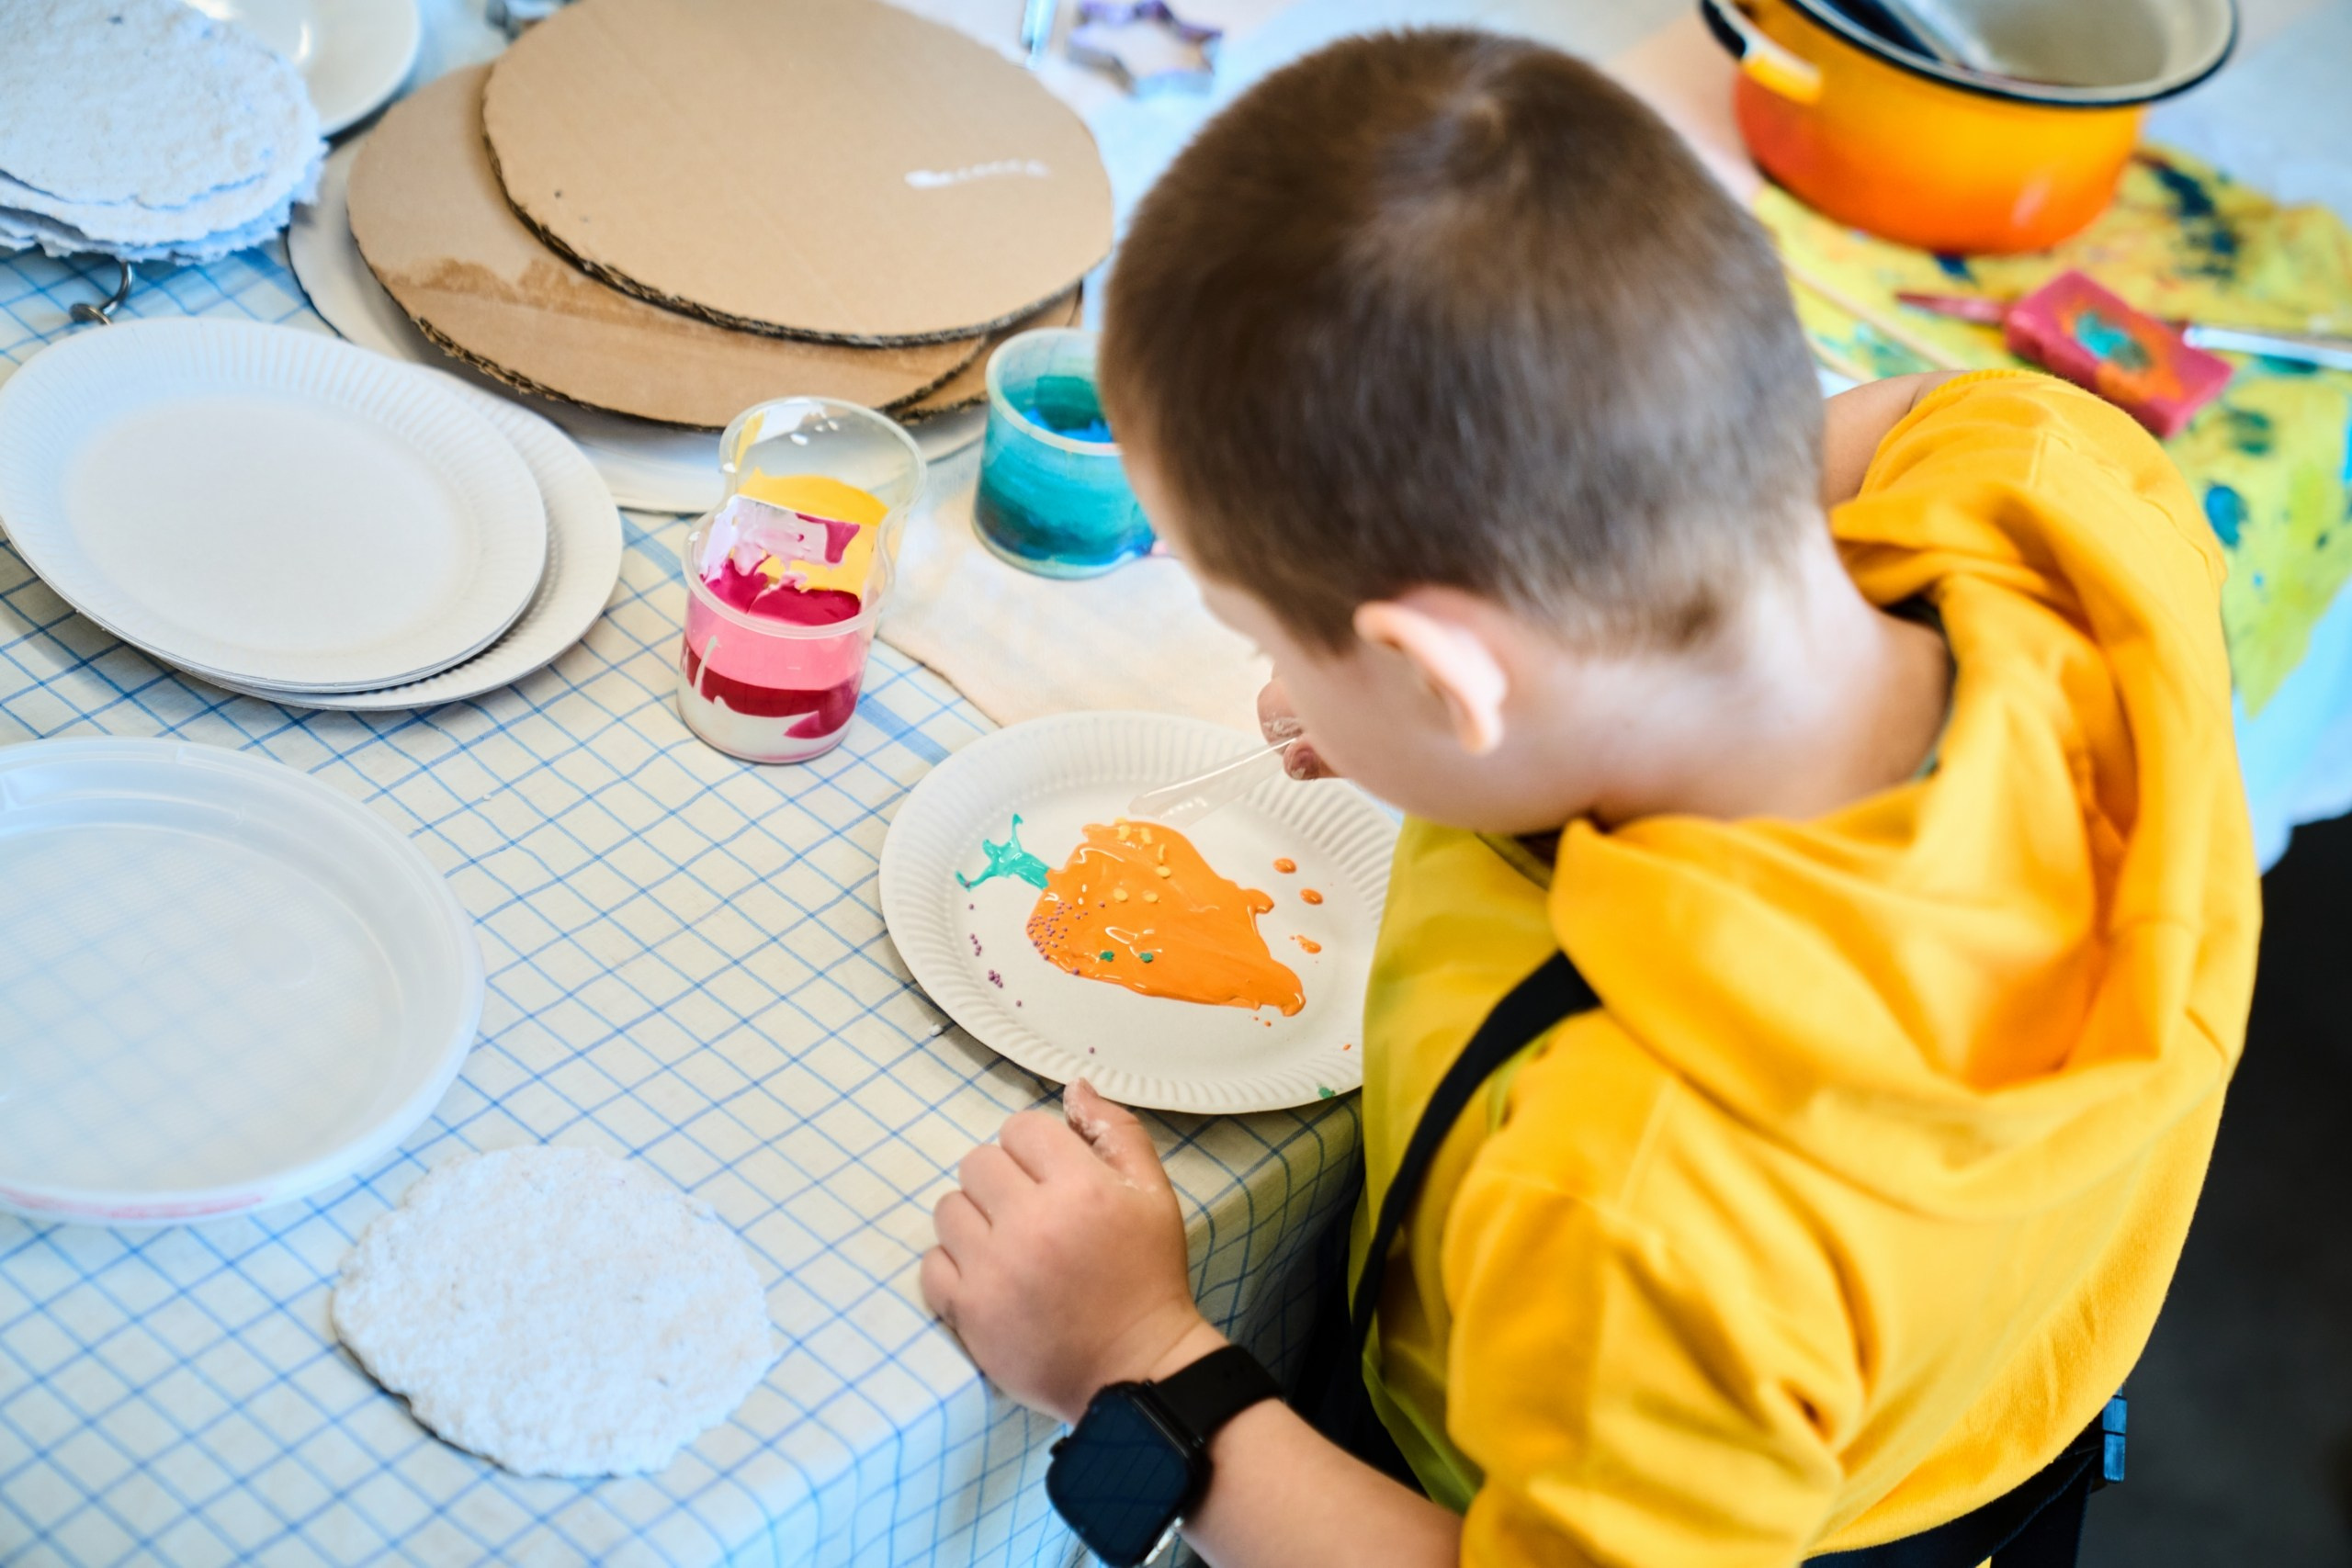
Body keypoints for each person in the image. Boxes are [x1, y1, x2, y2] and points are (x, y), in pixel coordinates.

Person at [919, 28, 2258, 1568]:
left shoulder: (1638, 1200)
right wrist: (1489, 719)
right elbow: (1912, 415)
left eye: (1270, 634)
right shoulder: (2062, 495)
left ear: (1449, 678)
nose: (1277, 675)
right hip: (1980, 1399)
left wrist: (1141, 1362)